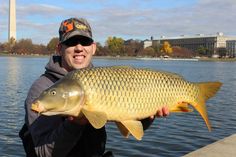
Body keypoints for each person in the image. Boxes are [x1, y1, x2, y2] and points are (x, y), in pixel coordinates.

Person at [19, 17, 169, 157]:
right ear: (59, 48)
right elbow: (43, 152)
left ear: (93, 48)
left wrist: (150, 115)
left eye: (84, 42)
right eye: (71, 42)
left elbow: (129, 124)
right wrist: (75, 123)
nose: (79, 48)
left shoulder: (103, 79)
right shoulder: (42, 89)